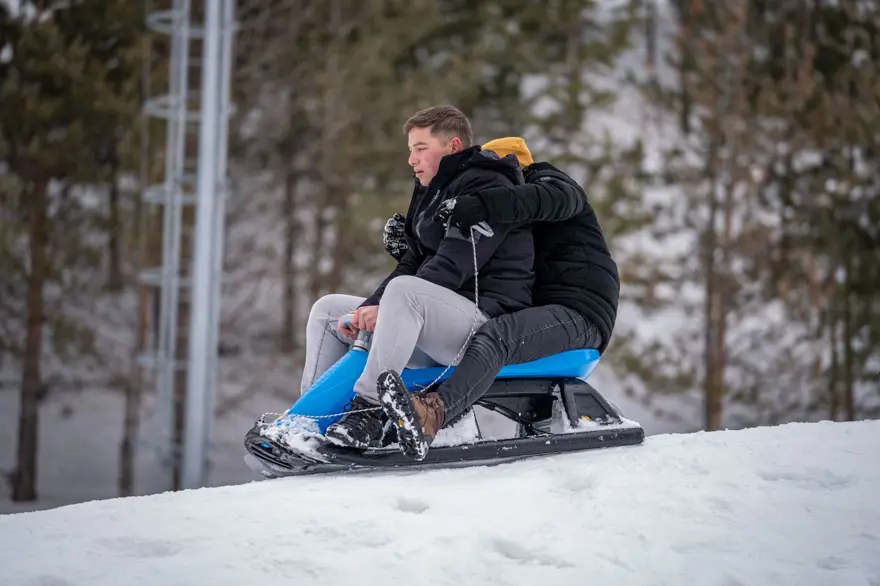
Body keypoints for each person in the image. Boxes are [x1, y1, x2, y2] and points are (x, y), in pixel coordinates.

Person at [300, 108, 536, 449]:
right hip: (437, 317)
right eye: (410, 150)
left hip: (483, 324)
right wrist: (370, 308)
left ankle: (366, 413)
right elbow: (410, 263)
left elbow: (454, 264)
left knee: (405, 293)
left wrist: (388, 307)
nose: (412, 159)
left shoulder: (487, 187)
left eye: (420, 148)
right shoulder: (433, 192)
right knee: (329, 311)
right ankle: (308, 423)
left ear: (453, 146)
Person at [379, 136, 620, 459]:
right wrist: (415, 244)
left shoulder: (550, 183)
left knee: (495, 336)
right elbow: (473, 264)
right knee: (486, 332)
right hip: (543, 309)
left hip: (581, 311)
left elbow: (549, 199)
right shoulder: (511, 216)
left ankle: (433, 414)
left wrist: (482, 203)